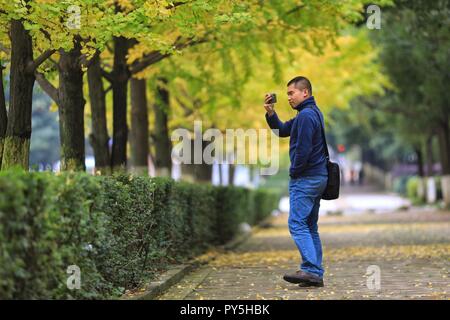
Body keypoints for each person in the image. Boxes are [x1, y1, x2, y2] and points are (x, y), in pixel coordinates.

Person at [264, 76, 328, 287]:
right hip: (317, 176)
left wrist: (295, 171)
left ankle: (310, 270)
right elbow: (281, 130)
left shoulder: (306, 116)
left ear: (305, 93)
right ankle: (315, 274)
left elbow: (303, 150)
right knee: (309, 225)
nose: (289, 97)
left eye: (291, 93)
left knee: (297, 223)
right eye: (287, 94)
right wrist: (271, 113)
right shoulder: (309, 114)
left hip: (307, 178)